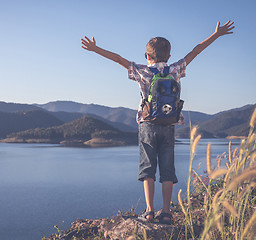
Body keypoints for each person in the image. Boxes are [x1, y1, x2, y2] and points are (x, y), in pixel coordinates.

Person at [81, 20, 234, 224]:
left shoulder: (142, 70)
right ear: (169, 56)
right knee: (167, 170)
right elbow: (196, 51)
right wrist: (216, 35)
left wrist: (95, 48)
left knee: (148, 169)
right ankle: (166, 212)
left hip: (147, 126)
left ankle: (150, 210)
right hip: (169, 126)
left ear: (147, 56)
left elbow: (118, 59)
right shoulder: (175, 69)